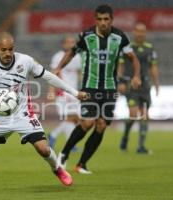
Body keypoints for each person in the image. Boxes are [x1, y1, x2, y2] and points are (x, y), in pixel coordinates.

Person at [0, 32, 88, 192]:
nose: (8, 53)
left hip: (23, 115)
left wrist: (75, 92)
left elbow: (49, 76)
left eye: (10, 49)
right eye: (4, 50)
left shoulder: (25, 61)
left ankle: (57, 169)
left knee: (43, 148)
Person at [54, 4, 141, 174]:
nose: (103, 23)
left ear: (111, 20)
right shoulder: (86, 36)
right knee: (87, 122)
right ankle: (64, 154)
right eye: (99, 19)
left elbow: (133, 58)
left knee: (101, 125)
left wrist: (136, 75)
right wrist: (59, 68)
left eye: (106, 19)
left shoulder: (120, 37)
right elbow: (72, 52)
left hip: (109, 88)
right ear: (95, 20)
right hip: (90, 87)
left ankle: (82, 164)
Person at [117, 22, 159, 154]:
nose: (140, 33)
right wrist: (120, 82)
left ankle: (141, 146)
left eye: (143, 31)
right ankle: (125, 135)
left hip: (145, 86)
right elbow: (121, 65)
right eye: (138, 31)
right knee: (133, 114)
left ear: (145, 33)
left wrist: (157, 84)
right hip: (131, 85)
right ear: (134, 32)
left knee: (145, 115)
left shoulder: (150, 48)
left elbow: (153, 67)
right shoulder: (127, 48)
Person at [47, 35, 82, 151]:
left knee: (75, 119)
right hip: (62, 92)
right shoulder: (58, 57)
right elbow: (53, 74)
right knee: (71, 117)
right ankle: (71, 145)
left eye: (73, 42)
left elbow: (78, 73)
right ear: (63, 44)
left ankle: (54, 135)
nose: (71, 44)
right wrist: (51, 91)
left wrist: (81, 88)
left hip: (74, 91)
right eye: (68, 42)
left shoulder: (77, 57)